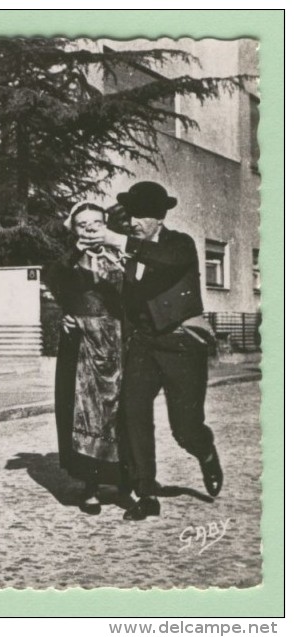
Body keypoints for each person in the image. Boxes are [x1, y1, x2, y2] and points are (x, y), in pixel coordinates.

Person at [81, 181, 223, 521]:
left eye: (143, 216)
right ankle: (146, 492)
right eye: (132, 215)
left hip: (182, 345)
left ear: (159, 218)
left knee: (185, 428)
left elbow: (163, 260)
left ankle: (204, 452)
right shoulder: (130, 250)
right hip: (144, 344)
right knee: (133, 413)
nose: (135, 222)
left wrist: (117, 238)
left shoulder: (180, 245)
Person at [42, 202, 126, 515]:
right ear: (73, 230)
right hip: (82, 346)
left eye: (96, 222)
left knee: (122, 413)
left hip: (119, 343)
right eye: (82, 224)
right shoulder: (68, 261)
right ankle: (90, 486)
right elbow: (53, 279)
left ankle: (125, 483)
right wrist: (75, 252)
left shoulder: (120, 254)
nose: (89, 229)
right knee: (85, 414)